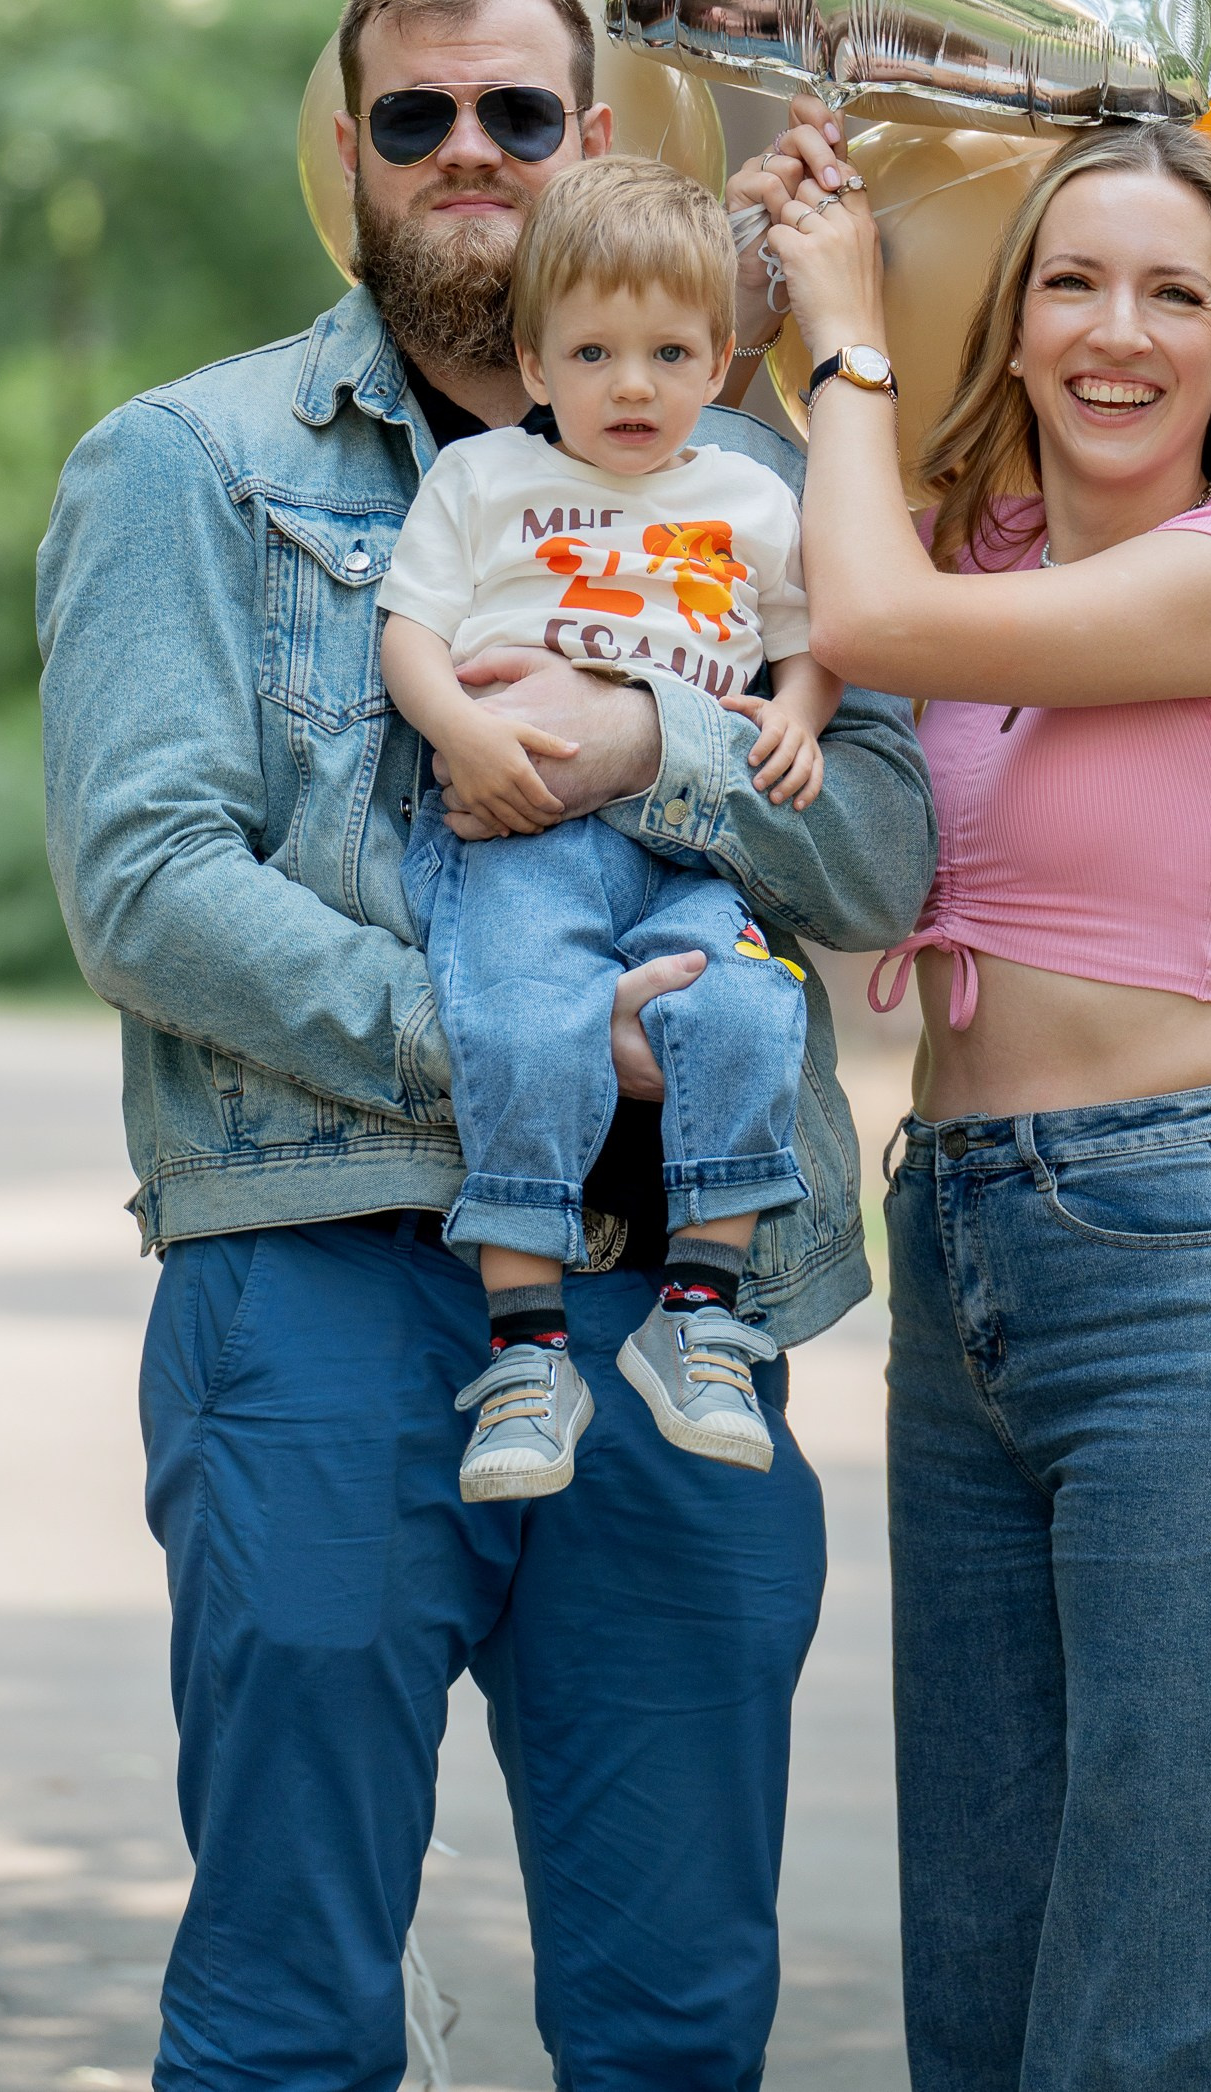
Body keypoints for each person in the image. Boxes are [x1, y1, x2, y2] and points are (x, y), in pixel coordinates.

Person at [36, 0, 934, 2092]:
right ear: (346, 150)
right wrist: (519, 1049)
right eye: (413, 114)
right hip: (317, 1284)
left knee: (675, 2010)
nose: (465, 150)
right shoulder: (187, 464)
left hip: (674, 1311)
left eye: (514, 111)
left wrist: (653, 742)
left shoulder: (754, 489)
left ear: (589, 141)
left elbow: (887, 849)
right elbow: (149, 885)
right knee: (290, 2009)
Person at [759, 115, 1211, 2092]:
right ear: (1014, 327)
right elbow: (804, 523)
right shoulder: (987, 550)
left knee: (1174, 1953)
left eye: (1173, 294)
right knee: (990, 1926)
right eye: (1071, 283)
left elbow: (862, 613)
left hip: (1176, 1267)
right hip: (957, 1252)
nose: (1120, 330)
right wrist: (807, 224)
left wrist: (850, 329)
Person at [379, 153, 842, 1496]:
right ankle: (524, 1350)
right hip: (518, 836)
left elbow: (808, 646)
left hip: (693, 846)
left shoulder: (752, 499)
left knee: (754, 1010)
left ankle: (697, 1313)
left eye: (668, 351)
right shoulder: (482, 483)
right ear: (534, 364)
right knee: (521, 1026)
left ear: (715, 362)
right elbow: (411, 631)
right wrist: (459, 731)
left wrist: (798, 714)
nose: (630, 384)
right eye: (591, 352)